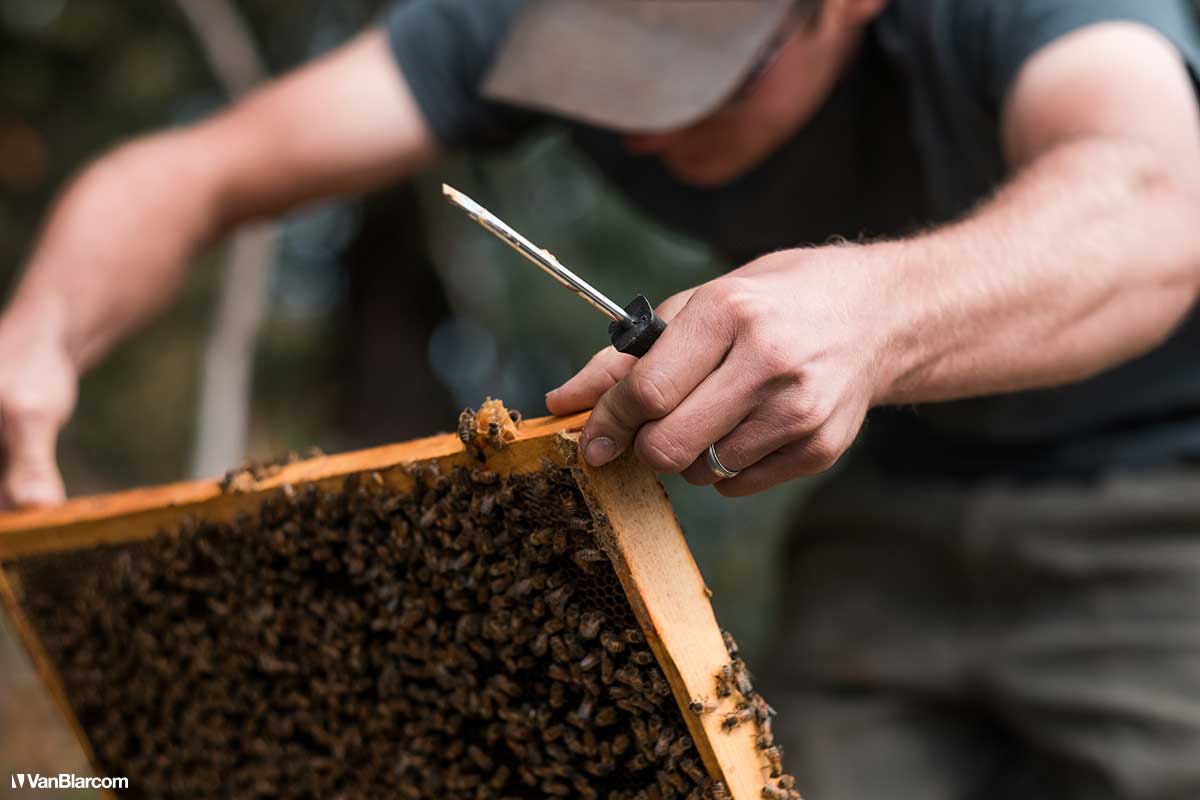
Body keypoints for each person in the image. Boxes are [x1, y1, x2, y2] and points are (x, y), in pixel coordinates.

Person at [3, 0, 1200, 795]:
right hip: (892, 512)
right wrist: (36, 339)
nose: (644, 115)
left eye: (695, 71)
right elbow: (193, 170)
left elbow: (1160, 204)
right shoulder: (517, 17)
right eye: (612, 67)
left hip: (1167, 501)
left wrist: (878, 310)